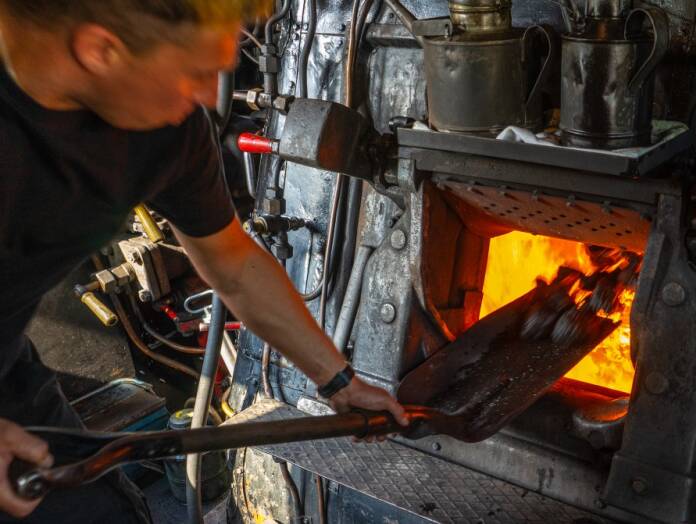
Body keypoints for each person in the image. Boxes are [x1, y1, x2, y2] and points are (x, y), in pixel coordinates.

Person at [0, 0, 408, 521]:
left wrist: (340, 381)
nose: (205, 96)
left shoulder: (167, 131)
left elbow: (234, 262)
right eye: (194, 74)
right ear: (100, 50)